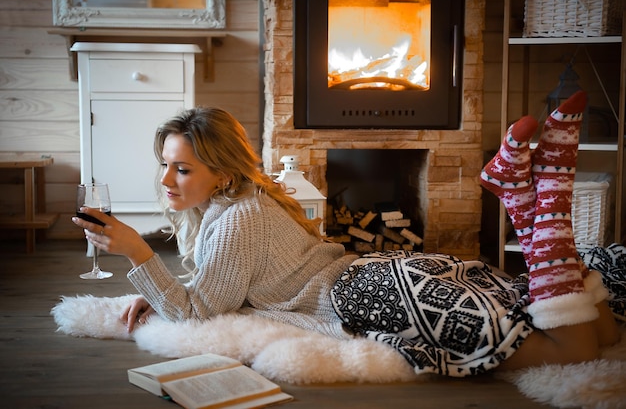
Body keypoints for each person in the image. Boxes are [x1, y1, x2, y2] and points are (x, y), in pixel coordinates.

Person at [72, 96, 619, 377]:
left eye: (183, 169)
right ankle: (537, 204)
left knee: (571, 351)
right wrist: (161, 284)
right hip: (385, 275)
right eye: (165, 165)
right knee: (602, 330)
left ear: (224, 172)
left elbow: (197, 315)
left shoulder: (238, 216)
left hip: (365, 295)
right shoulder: (237, 206)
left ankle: (535, 208)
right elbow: (216, 285)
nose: (166, 180)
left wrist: (140, 256)